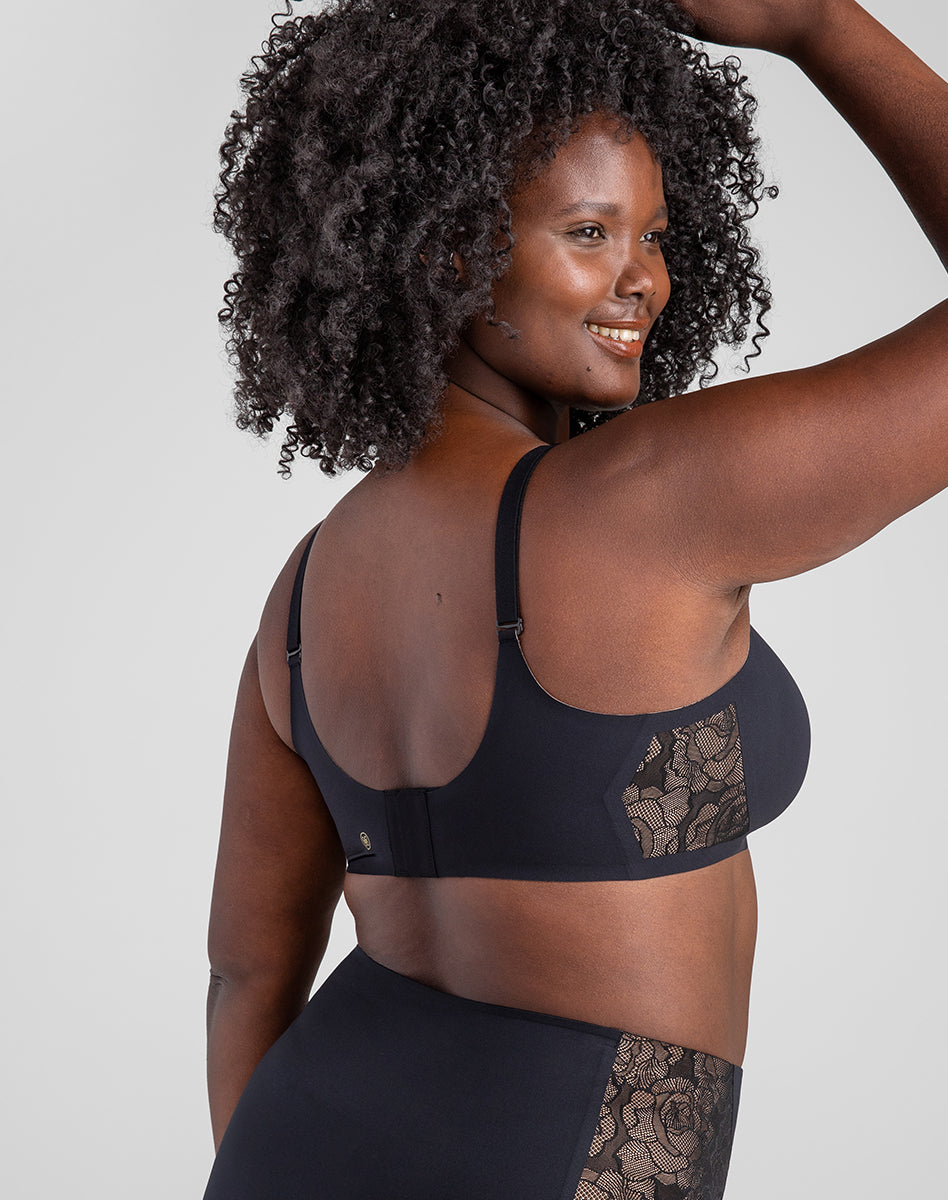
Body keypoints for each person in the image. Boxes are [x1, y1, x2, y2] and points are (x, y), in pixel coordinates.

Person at [202, 0, 947, 1195]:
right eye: (590, 232)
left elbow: (248, 973)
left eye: (654, 233)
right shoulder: (643, 501)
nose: (644, 278)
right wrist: (817, 24)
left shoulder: (302, 592)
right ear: (450, 249)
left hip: (295, 1144)